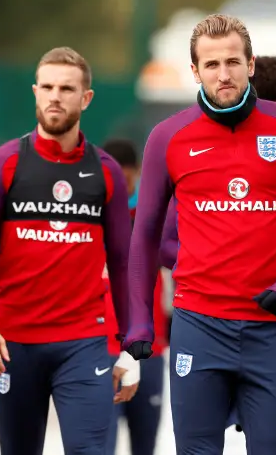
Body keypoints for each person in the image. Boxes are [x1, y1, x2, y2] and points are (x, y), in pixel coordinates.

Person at [124, 14, 276, 455]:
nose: (224, 74)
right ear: (195, 71)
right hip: (198, 327)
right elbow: (144, 235)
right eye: (212, 64)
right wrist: (141, 318)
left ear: (251, 64)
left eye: (233, 62)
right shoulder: (168, 137)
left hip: (271, 330)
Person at [0, 47, 139, 455]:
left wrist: (132, 343)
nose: (56, 96)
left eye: (67, 88)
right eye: (48, 87)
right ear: (36, 92)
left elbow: (123, 262)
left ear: (86, 98)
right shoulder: (4, 164)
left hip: (84, 342)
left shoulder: (106, 170)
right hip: (13, 344)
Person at [101, 138, 167, 455]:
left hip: (149, 353)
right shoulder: (90, 222)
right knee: (101, 443)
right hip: (101, 350)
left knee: (145, 446)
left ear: (138, 174)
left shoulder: (151, 220)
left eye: (126, 177)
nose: (120, 185)